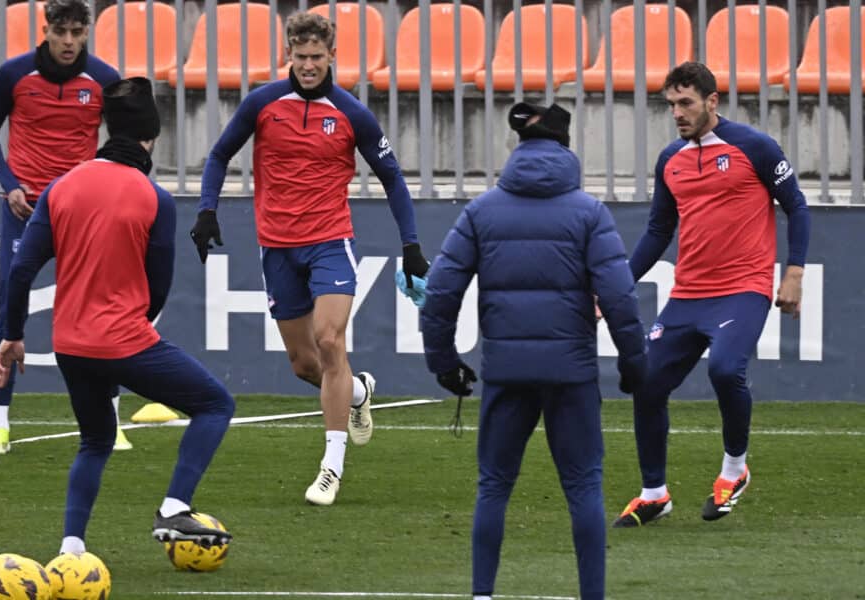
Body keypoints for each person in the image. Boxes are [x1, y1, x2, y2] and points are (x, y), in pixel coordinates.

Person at [190, 11, 429, 506]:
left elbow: (393, 178)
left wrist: (411, 244)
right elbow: (218, 155)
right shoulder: (262, 103)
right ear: (289, 56)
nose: (308, 66)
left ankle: (330, 468)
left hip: (330, 242)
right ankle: (358, 394)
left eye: (317, 58)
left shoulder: (352, 113)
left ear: (331, 56)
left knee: (329, 340)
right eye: (300, 58)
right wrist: (206, 210)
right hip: (276, 245)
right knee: (304, 365)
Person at [0, 77, 236, 556]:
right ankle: (173, 507)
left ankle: (71, 549)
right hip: (125, 341)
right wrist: (132, 331)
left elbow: (20, 269)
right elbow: (158, 285)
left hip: (70, 345)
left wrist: (13, 336)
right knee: (215, 405)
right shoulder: (155, 198)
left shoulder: (62, 187)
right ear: (150, 138)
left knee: (96, 441)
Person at [420, 103, 647, 600]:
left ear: (517, 147)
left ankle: (482, 594)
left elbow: (440, 293)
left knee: (494, 486)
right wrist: (634, 364)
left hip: (506, 372)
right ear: (567, 148)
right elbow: (620, 298)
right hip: (571, 374)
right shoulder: (590, 212)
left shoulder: (481, 211)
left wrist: (443, 362)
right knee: (584, 488)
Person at [612, 61, 810, 527]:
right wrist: (615, 287)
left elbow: (796, 206)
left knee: (724, 369)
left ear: (711, 101)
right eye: (672, 105)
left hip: (743, 287)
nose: (678, 113)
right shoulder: (671, 160)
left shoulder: (755, 147)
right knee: (646, 382)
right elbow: (659, 229)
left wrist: (794, 273)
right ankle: (654, 493)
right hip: (688, 294)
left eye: (686, 103)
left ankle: (734, 470)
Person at [0, 0, 130, 454]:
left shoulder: (103, 78)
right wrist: (9, 185)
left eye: (76, 32)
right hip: (26, 209)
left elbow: (126, 138)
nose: (68, 41)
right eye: (60, 31)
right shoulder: (14, 74)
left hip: (82, 210)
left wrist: (103, 183)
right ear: (46, 30)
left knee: (103, 309)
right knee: (9, 301)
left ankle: (114, 423)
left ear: (86, 33)